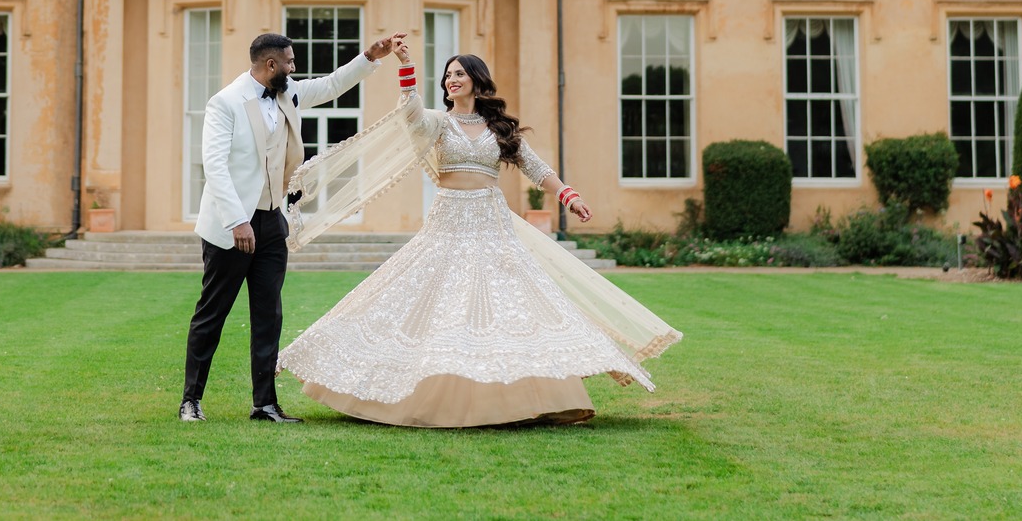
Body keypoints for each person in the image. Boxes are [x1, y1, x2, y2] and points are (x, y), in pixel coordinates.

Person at [278, 44, 680, 427]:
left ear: (476, 80)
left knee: (511, 305)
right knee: (434, 301)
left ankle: (530, 401)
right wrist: (405, 64)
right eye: (449, 75)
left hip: (492, 224)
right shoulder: (438, 121)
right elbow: (411, 114)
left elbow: (536, 168)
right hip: (449, 221)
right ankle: (416, 393)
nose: (453, 80)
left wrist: (569, 197)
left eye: (460, 74)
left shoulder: (498, 128)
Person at [179, 27, 401, 423]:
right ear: (270, 65)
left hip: (272, 223)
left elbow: (332, 85)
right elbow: (214, 166)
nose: (294, 68)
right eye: (289, 62)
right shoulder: (225, 103)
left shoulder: (289, 93)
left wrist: (370, 56)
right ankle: (190, 401)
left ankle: (264, 404)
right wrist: (237, 221)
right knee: (212, 315)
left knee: (269, 315)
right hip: (231, 228)